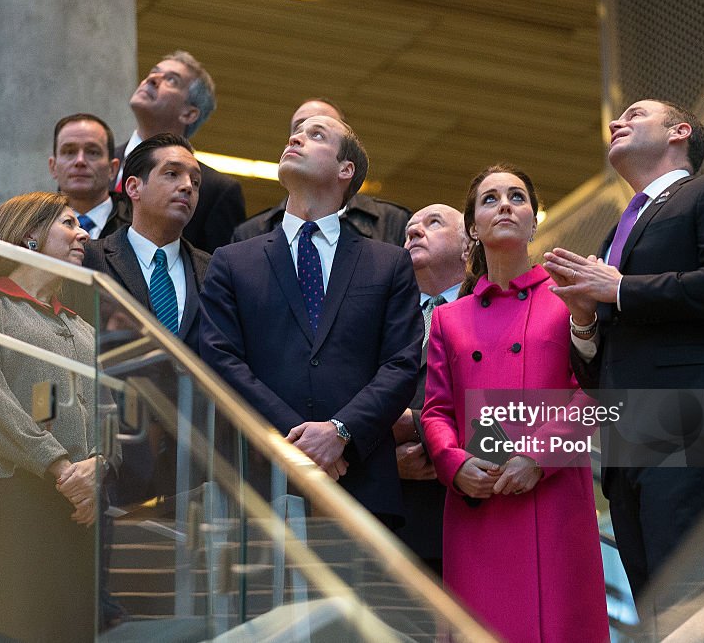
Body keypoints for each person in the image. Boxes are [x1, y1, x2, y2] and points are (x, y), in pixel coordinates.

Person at [543, 99, 704, 626]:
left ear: (679, 132)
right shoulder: (616, 233)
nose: (616, 123)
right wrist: (584, 321)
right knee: (653, 612)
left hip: (693, 423)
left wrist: (619, 289)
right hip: (628, 439)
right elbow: (602, 371)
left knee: (683, 603)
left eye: (634, 114)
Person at [199, 114, 421, 525]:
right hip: (258, 481)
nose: (296, 137)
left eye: (316, 135)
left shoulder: (388, 263)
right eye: (294, 134)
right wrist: (299, 440)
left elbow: (401, 365)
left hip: (360, 482)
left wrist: (340, 432)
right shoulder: (232, 260)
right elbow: (220, 360)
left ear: (345, 169)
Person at [422, 165, 608, 642]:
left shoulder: (571, 297)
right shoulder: (447, 319)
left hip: (554, 498)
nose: (504, 204)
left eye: (517, 197)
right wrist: (453, 462)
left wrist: (537, 457)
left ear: (533, 220)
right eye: (490, 199)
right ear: (472, 229)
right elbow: (437, 411)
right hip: (478, 504)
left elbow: (594, 391)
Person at [0, 192, 109, 641]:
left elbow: (106, 415)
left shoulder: (84, 328)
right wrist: (60, 466)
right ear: (30, 234)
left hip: (75, 506)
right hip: (5, 495)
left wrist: (97, 468)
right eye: (69, 223)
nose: (83, 235)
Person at [84, 133, 209, 506]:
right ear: (133, 187)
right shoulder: (89, 261)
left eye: (195, 182)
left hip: (194, 467)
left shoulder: (216, 271)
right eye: (172, 174)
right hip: (112, 456)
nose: (187, 186)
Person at [392, 203, 468, 574]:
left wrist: (418, 427)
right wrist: (386, 466)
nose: (414, 232)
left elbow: (508, 415)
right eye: (409, 228)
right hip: (389, 529)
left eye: (433, 223)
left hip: (466, 518)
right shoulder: (381, 317)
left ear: (469, 245)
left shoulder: (489, 308)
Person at [232, 98, 411, 246]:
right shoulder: (249, 234)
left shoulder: (394, 222)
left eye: (318, 133)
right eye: (297, 129)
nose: (297, 138)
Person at [116, 50, 245, 253]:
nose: (151, 79)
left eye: (171, 80)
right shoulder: (96, 165)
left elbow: (219, 273)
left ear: (189, 113)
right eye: (153, 72)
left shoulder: (217, 190)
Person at [49, 113, 129, 239]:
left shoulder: (138, 226)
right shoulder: (32, 228)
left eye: (93, 152)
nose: (80, 161)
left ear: (112, 168)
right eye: (69, 152)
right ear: (53, 166)